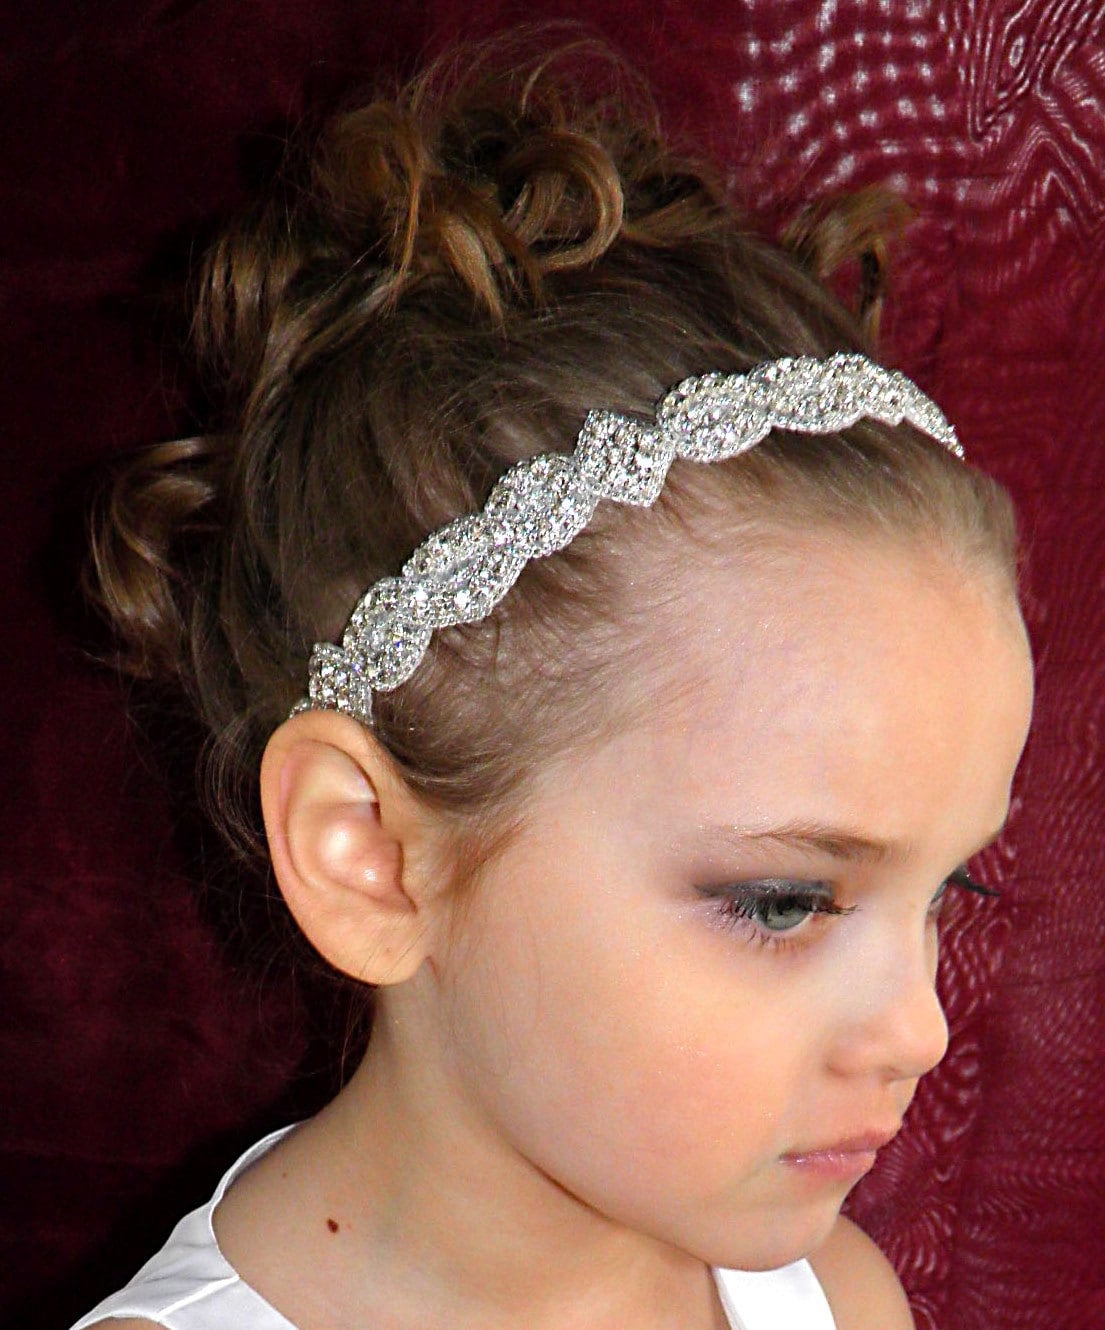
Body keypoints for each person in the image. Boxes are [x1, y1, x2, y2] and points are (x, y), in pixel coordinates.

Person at [70, 34, 1034, 1330]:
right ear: (370, 855)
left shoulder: (836, 1299)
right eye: (784, 903)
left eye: (949, 886)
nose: (919, 1030)